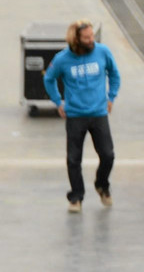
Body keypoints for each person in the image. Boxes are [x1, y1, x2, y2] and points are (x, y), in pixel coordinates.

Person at [43, 19, 120, 213]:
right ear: (76, 39)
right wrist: (58, 101)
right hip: (76, 115)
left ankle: (102, 184)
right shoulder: (62, 59)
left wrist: (111, 97)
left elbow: (114, 74)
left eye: (92, 36)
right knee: (73, 159)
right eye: (87, 38)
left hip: (99, 113)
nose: (91, 40)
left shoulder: (102, 52)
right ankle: (76, 196)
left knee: (108, 155)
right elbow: (48, 78)